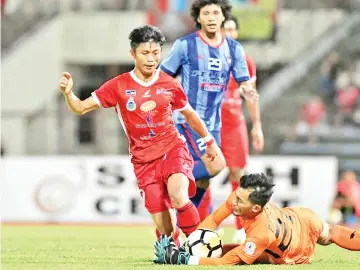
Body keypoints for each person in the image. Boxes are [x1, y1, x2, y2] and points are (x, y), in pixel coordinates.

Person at [58, 25, 218, 246]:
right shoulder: (118, 85)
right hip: (143, 161)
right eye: (145, 53)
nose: (151, 59)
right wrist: (69, 94)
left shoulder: (169, 84)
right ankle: (171, 242)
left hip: (173, 149)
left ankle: (197, 246)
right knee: (165, 229)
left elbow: (189, 115)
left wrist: (209, 142)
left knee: (179, 195)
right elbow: (80, 108)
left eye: (156, 53)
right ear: (132, 54)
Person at [160, 0, 259, 213]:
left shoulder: (234, 49)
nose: (212, 17)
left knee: (204, 179)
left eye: (216, 12)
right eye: (206, 13)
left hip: (213, 124)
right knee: (216, 165)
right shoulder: (184, 45)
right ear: (198, 18)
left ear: (223, 17)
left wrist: (245, 89)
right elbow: (163, 76)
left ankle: (191, 225)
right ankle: (173, 185)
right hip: (186, 121)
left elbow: (243, 80)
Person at [154, 173, 360, 265]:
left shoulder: (260, 234)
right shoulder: (239, 197)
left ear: (254, 207)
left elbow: (225, 263)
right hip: (300, 215)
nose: (234, 202)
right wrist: (192, 242)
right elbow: (213, 221)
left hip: (297, 247)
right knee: (328, 231)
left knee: (244, 255)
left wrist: (185, 260)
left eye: (240, 201)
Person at [197, 16, 264, 243]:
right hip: (209, 124)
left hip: (234, 124)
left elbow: (251, 97)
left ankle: (240, 227)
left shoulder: (245, 60)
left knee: (238, 174)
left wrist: (256, 126)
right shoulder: (204, 57)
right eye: (226, 29)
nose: (230, 33)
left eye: (233, 29)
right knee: (205, 174)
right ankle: (207, 227)